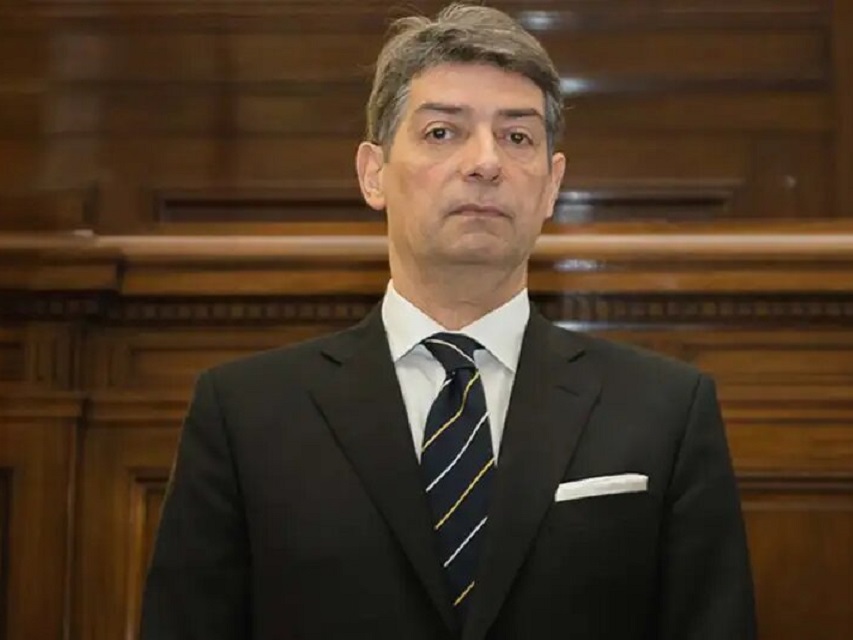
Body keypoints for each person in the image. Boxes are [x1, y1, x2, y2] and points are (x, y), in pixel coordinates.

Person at [139, 3, 757, 639]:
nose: (485, 162)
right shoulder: (244, 414)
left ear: (552, 185)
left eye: (517, 137)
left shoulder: (665, 411)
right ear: (373, 173)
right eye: (442, 132)